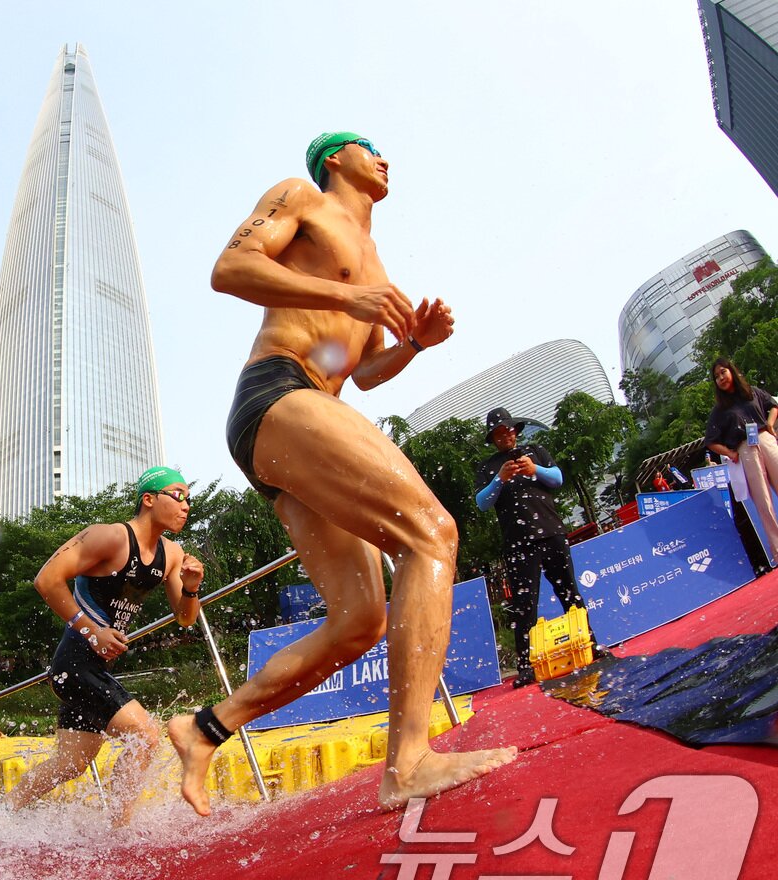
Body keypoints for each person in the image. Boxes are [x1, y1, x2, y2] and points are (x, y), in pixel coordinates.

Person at [167, 132, 516, 817]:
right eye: (369, 146)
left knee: (360, 619)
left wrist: (414, 342)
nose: (385, 157)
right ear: (335, 158)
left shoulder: (379, 268)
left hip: (308, 416)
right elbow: (229, 268)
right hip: (276, 392)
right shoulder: (302, 199)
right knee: (431, 533)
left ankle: (205, 728)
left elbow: (363, 371)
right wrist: (341, 293)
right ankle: (409, 761)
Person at [6, 466, 205, 824]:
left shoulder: (172, 554)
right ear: (149, 499)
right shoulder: (110, 537)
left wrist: (191, 586)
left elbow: (186, 618)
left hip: (97, 668)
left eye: (188, 498)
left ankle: (0, 812)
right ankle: (119, 827)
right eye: (178, 495)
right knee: (145, 734)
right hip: (74, 663)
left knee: (70, 764)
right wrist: (90, 630)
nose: (186, 505)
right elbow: (47, 579)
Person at [474, 408, 605, 688]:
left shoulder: (535, 451)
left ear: (515, 431)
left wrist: (535, 470)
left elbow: (557, 479)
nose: (504, 436)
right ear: (493, 438)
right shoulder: (488, 467)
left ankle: (590, 644)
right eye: (498, 433)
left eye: (508, 430)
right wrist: (500, 479)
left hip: (552, 532)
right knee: (524, 605)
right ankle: (526, 666)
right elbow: (482, 503)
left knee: (570, 592)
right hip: (518, 543)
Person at [705, 357, 778, 566]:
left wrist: (771, 426)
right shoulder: (719, 410)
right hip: (745, 449)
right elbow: (710, 441)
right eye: (717, 377)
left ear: (731, 371)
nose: (721, 378)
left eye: (723, 372)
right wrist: (730, 453)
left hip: (765, 438)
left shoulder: (751, 392)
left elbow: (773, 405)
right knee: (763, 502)